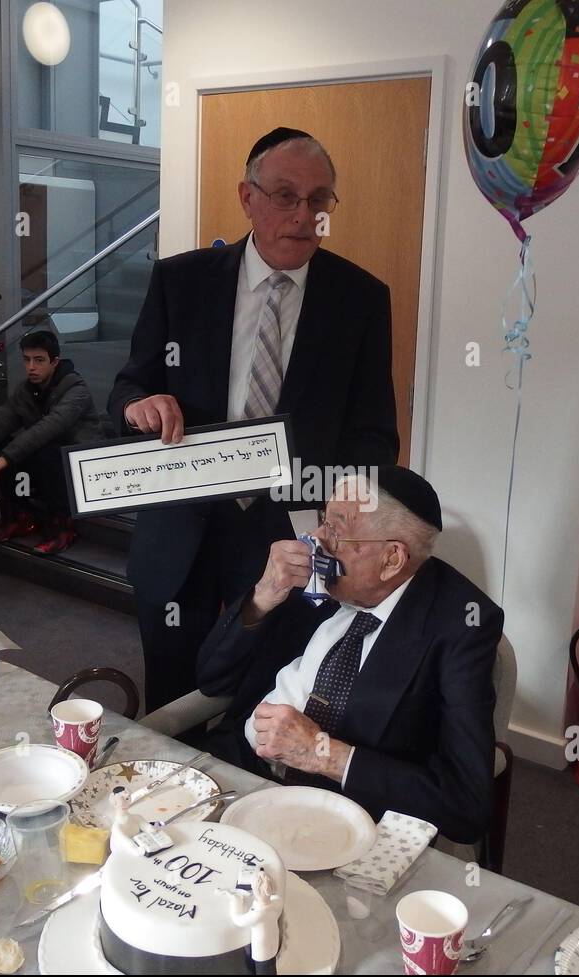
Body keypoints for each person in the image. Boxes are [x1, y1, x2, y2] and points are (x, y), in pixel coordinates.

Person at [109, 127, 399, 712]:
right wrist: (139, 405)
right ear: (247, 197)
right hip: (181, 522)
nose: (304, 214)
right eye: (286, 196)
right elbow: (131, 385)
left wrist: (335, 511)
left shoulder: (360, 299)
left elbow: (375, 436)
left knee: (269, 689)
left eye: (320, 200)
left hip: (290, 532)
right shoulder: (181, 281)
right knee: (172, 690)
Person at [195, 468, 503, 843]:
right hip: (239, 772)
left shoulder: (461, 627)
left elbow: (466, 806)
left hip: (339, 820)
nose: (316, 541)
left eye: (336, 530)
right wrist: (263, 595)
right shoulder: (311, 577)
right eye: (323, 520)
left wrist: (322, 754)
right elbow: (211, 680)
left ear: (392, 558)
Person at [0, 329, 104, 555]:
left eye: (39, 360)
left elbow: (46, 430)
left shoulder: (76, 390)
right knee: (1, 445)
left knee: (41, 451)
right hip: (50, 460)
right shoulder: (27, 391)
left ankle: (63, 527)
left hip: (85, 466)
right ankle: (22, 517)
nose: (31, 367)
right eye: (27, 360)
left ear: (54, 361)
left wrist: (2, 462)